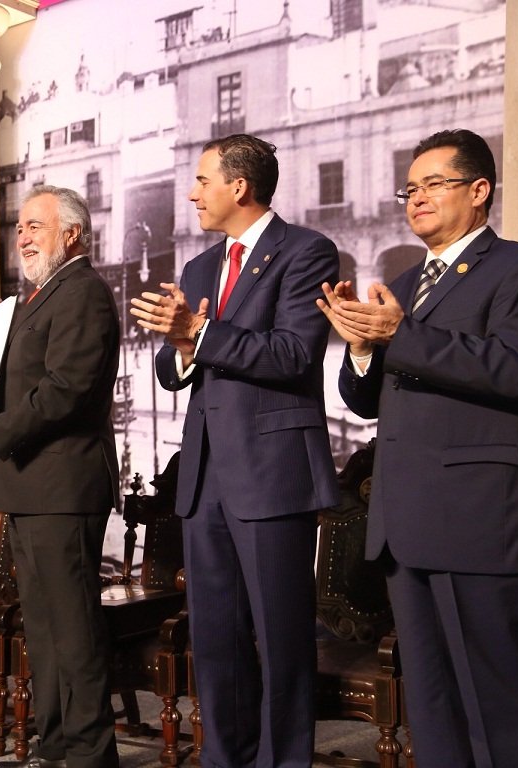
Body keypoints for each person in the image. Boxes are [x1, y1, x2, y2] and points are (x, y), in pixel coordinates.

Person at [318, 128, 518, 767]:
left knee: (500, 705)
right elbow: (367, 402)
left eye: (434, 184)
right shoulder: (404, 282)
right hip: (406, 524)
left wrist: (401, 334)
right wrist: (362, 349)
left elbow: (515, 371)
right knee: (431, 705)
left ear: (479, 191)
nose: (417, 198)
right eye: (410, 188)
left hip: (476, 518)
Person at [130, 134, 339, 768]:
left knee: (280, 639)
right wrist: (182, 345)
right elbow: (172, 369)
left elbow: (294, 354)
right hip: (204, 478)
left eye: (202, 181)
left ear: (239, 186)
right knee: (216, 639)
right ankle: (225, 758)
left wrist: (199, 331)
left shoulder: (306, 251)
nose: (192, 194)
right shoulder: (198, 269)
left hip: (273, 472)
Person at [0, 184, 121, 768]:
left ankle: (91, 755)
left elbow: (65, 390)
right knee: (43, 630)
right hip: (29, 486)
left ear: (71, 233)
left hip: (62, 486)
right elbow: (13, 380)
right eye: (18, 227)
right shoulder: (35, 298)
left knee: (73, 628)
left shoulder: (83, 292)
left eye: (34, 226)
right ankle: (56, 746)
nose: (21, 236)